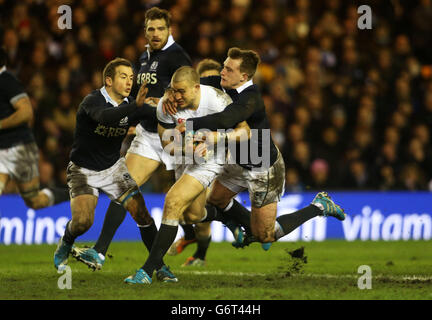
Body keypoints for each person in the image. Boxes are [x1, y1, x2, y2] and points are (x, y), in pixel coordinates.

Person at [167, 48, 346, 251]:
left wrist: (189, 124)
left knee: (266, 235)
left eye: (228, 69)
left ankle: (319, 206)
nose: (222, 72)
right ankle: (241, 227)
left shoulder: (251, 99)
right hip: (237, 160)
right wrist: (167, 94)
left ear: (243, 76)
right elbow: (190, 85)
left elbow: (226, 119)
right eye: (224, 67)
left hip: (263, 168)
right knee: (216, 199)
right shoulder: (222, 83)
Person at [71, 7, 194, 269]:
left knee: (197, 210)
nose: (156, 33)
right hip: (149, 135)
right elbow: (138, 96)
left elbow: (188, 94)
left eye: (161, 28)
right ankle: (99, 252)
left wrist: (161, 102)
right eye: (151, 29)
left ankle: (232, 219)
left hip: (175, 135)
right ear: (145, 32)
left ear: (169, 30)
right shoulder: (143, 58)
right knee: (123, 189)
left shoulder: (177, 56)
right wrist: (132, 118)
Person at [53, 57, 177, 283]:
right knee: (83, 222)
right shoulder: (92, 101)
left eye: (131, 78)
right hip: (83, 170)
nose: (129, 82)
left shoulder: (132, 104)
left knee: (143, 215)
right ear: (108, 80)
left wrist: (168, 108)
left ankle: (159, 266)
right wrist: (136, 107)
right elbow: (105, 117)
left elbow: (157, 115)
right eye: (123, 77)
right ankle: (67, 241)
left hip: (113, 168)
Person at [124, 66, 249, 284]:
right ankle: (226, 218)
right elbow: (166, 143)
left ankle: (147, 271)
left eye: (181, 91)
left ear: (196, 88)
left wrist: (216, 139)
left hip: (209, 159)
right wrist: (186, 149)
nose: (177, 96)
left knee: (172, 202)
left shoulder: (217, 101)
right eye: (173, 90)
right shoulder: (167, 105)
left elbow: (245, 131)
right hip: (185, 157)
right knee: (191, 216)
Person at [167, 58, 222, 267]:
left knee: (201, 210)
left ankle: (200, 254)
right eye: (205, 78)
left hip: (216, 161)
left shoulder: (220, 103)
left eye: (213, 79)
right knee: (187, 211)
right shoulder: (183, 104)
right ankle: (191, 236)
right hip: (186, 159)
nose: (209, 83)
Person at [0, 47, 69, 209]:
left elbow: (26, 111)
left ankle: (72, 193)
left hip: (20, 148)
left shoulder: (6, 81)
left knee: (34, 201)